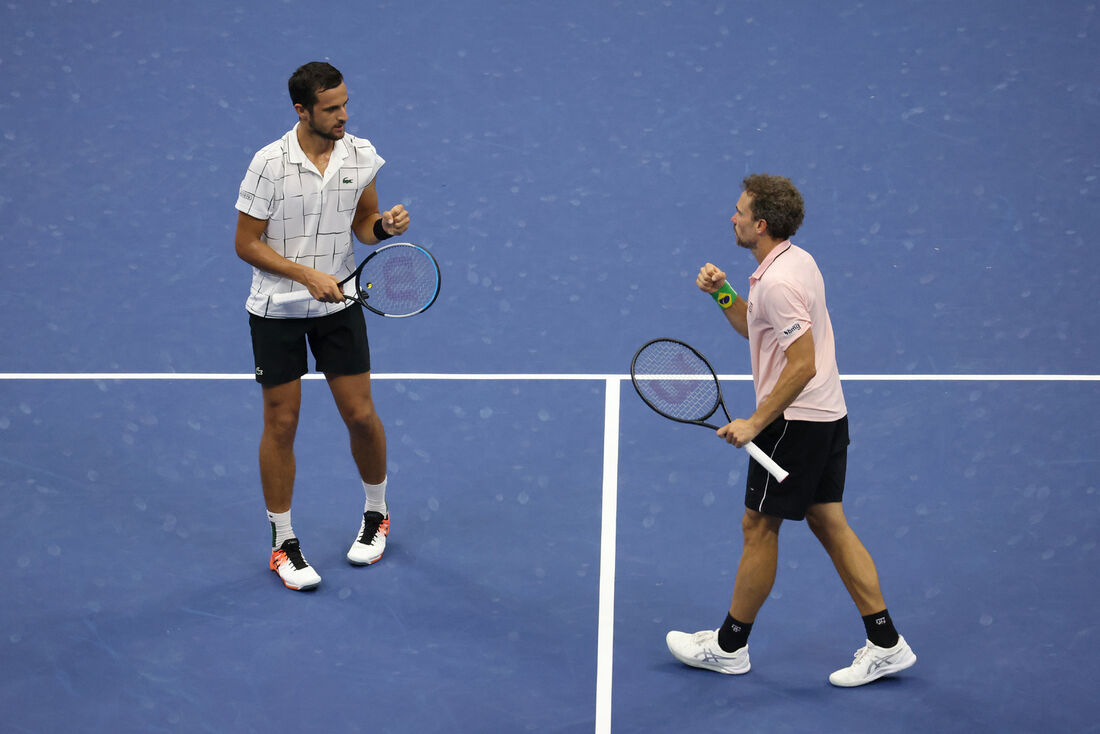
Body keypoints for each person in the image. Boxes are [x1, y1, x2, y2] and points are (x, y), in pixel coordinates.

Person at [665, 173, 916, 686]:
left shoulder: (778, 282)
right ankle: (886, 642)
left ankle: (730, 647)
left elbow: (801, 365)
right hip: (828, 415)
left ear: (760, 224)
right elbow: (756, 327)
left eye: (739, 212)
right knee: (829, 522)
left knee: (758, 528)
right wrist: (722, 293)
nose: (731, 218)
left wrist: (756, 422)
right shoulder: (792, 263)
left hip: (793, 423)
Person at [234, 61, 410, 591]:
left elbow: (363, 223)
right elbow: (246, 243)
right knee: (282, 425)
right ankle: (283, 542)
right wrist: (304, 274)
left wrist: (384, 227)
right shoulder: (268, 164)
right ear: (301, 110)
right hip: (278, 312)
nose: (343, 115)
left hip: (340, 307)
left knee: (360, 416)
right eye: (331, 108)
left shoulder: (361, 154)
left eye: (345, 104)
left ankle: (376, 513)